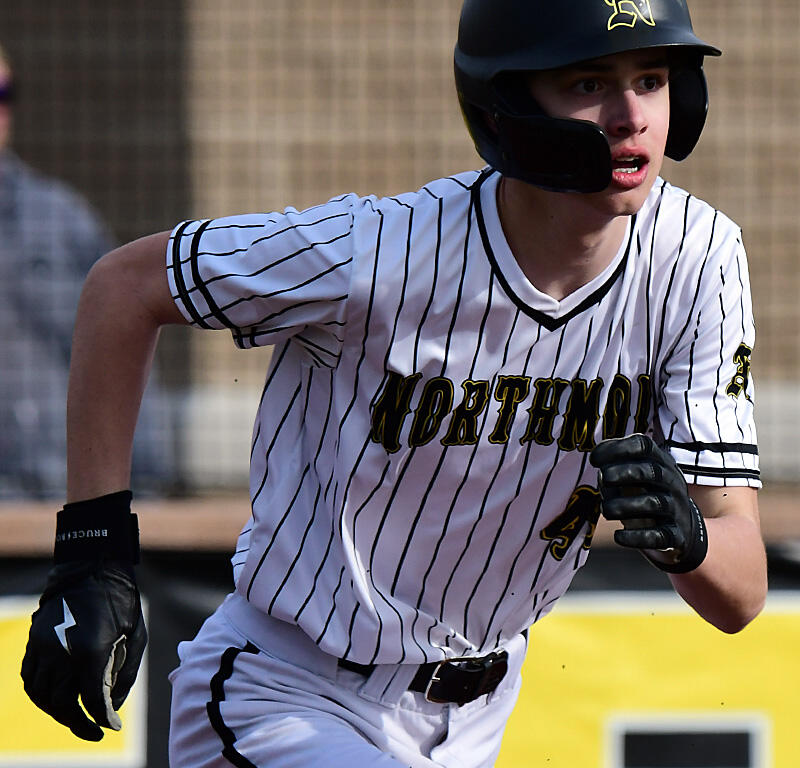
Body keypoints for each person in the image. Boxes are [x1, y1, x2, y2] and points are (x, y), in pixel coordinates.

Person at [21, 1, 768, 766]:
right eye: (589, 83)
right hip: (285, 691)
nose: (632, 116)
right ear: (504, 104)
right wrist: (91, 553)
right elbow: (124, 288)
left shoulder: (697, 260)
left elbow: (741, 594)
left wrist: (690, 540)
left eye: (652, 79)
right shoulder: (382, 251)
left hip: (474, 718)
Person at [0, 43, 174, 499]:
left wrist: (142, 484)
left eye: (3, 94)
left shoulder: (57, 216)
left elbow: (127, 336)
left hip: (64, 494)